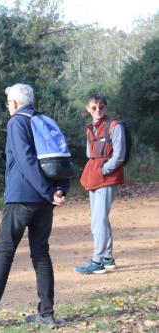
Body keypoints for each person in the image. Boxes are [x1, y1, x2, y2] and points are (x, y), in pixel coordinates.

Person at [0, 83, 69, 327]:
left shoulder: (16, 122)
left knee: (4, 251)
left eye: (7, 102)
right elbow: (61, 156)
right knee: (41, 253)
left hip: (22, 198)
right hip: (45, 201)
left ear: (14, 103)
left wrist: (46, 190)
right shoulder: (44, 121)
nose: (7, 107)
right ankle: (46, 313)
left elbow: (25, 161)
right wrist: (57, 190)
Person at [75, 94, 125, 274]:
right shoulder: (91, 129)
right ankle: (108, 258)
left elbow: (119, 155)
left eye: (101, 107)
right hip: (93, 176)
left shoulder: (114, 126)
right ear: (88, 108)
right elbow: (90, 155)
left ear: (106, 108)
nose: (98, 110)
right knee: (100, 219)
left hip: (107, 177)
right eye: (94, 107)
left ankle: (97, 262)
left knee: (98, 220)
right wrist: (94, 172)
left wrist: (104, 170)